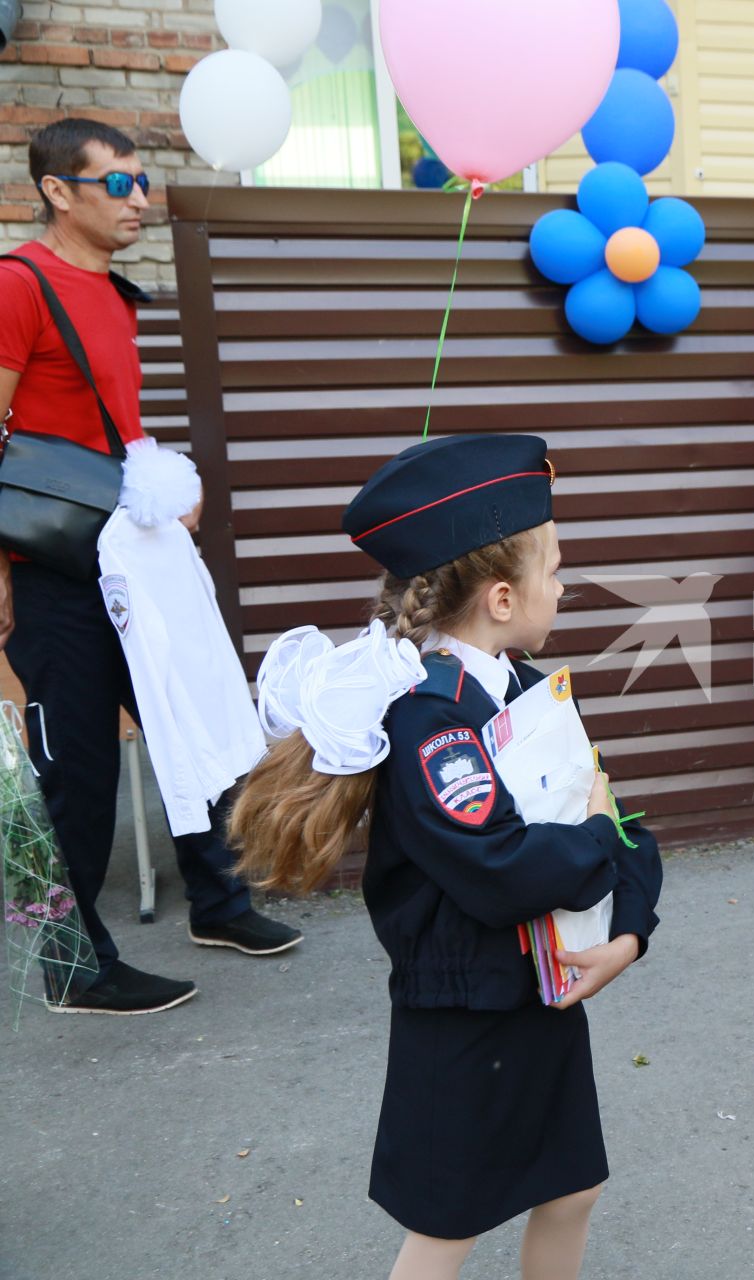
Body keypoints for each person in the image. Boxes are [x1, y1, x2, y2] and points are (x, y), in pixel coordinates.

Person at [228, 435, 664, 1280]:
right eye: (556, 569)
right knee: (446, 1227)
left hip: (541, 995)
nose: (565, 584)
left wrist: (630, 932)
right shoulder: (432, 721)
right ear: (503, 597)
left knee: (572, 1188)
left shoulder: (529, 689)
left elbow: (614, 815)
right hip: (464, 1014)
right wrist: (601, 839)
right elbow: (501, 867)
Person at [0, 117, 300, 1016]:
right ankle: (69, 960)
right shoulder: (18, 285)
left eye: (141, 182)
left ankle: (219, 902)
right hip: (54, 566)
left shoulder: (112, 293)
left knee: (193, 721)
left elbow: (111, 431)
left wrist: (170, 488)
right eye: (118, 184)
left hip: (134, 551)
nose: (140, 199)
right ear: (60, 190)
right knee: (78, 769)